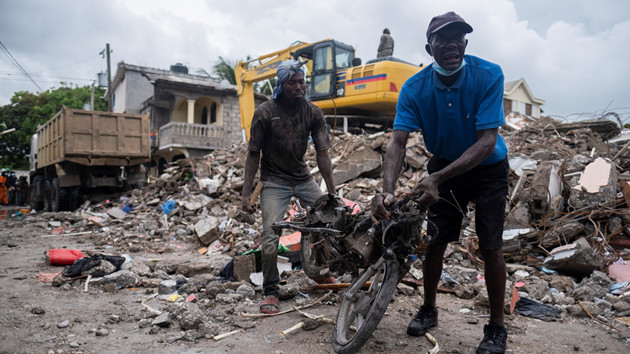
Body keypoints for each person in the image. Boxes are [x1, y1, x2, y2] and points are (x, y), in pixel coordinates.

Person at [371, 11, 509, 354]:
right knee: (435, 242)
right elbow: (397, 143)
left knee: (491, 246)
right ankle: (429, 308)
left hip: (487, 167)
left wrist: (436, 178)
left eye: (459, 38)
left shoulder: (488, 74)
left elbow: (487, 141)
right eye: (443, 39)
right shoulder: (415, 87)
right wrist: (386, 191)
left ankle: (496, 328)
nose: (452, 45)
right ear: (429, 47)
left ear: (465, 42)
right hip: (444, 165)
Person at [241, 60, 336, 314]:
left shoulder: (313, 112)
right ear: (281, 85)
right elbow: (253, 154)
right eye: (292, 82)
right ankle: (271, 290)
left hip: (303, 178)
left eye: (301, 82)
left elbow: (323, 153)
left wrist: (332, 192)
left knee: (326, 224)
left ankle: (320, 273)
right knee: (271, 238)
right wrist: (246, 193)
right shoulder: (264, 112)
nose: (298, 87)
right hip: (273, 181)